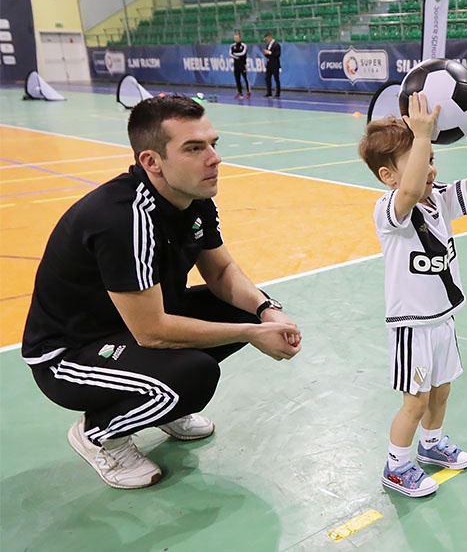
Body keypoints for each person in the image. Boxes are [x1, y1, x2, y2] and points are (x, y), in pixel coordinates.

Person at [21, 95, 302, 490]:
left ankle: (160, 404)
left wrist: (266, 311)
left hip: (132, 326)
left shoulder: (193, 197)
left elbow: (220, 270)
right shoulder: (123, 219)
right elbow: (151, 332)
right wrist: (253, 335)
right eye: (193, 148)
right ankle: (100, 434)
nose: (214, 158)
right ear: (151, 161)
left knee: (244, 310)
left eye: (212, 144)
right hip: (70, 354)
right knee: (193, 376)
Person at [358, 93, 467, 498]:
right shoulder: (390, 211)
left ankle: (431, 445)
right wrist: (419, 136)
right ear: (388, 176)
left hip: (442, 319)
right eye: (420, 156)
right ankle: (396, 467)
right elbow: (412, 187)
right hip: (412, 326)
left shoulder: (438, 200)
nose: (430, 166)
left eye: (432, 156)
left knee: (442, 390)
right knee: (414, 402)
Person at [230, 32, 250, 99]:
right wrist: (236, 56)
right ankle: (240, 92)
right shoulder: (232, 46)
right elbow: (230, 54)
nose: (236, 39)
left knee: (245, 78)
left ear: (240, 38)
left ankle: (248, 92)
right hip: (236, 65)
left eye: (237, 38)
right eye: (235, 38)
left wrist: (235, 54)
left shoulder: (244, 45)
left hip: (242, 64)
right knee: (237, 79)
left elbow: (243, 53)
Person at [263, 32, 281, 98]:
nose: (266, 40)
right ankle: (269, 92)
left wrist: (270, 53)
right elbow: (267, 55)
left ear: (270, 37)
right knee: (267, 78)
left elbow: (277, 54)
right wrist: (266, 53)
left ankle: (278, 93)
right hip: (269, 64)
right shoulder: (268, 45)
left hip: (275, 64)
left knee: (276, 79)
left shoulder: (276, 45)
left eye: (267, 38)